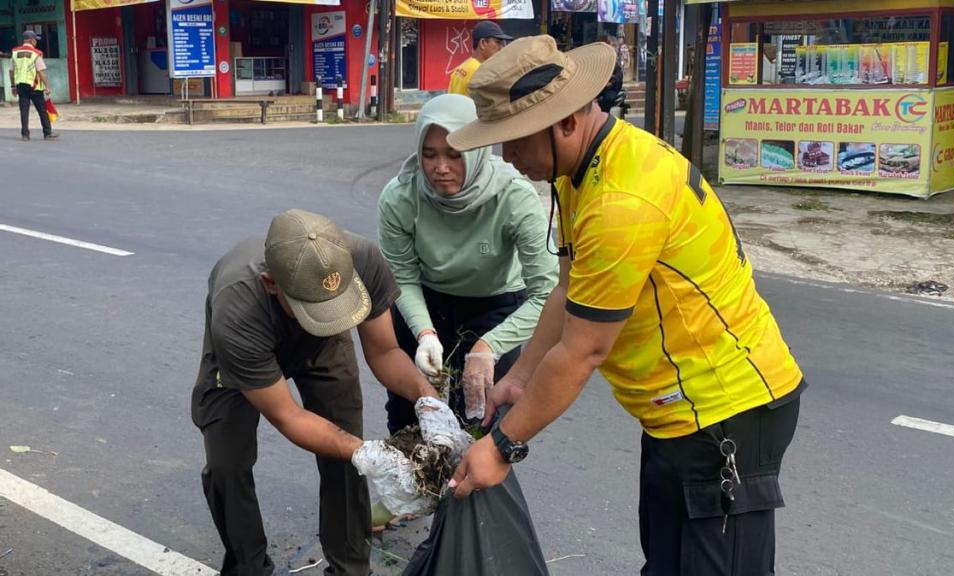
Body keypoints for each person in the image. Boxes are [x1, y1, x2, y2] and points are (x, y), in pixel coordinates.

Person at [447, 36, 807, 575]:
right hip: (673, 415)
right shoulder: (582, 170)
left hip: (724, 413)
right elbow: (568, 290)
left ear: (566, 121)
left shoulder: (621, 201)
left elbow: (584, 350)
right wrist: (518, 377)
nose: (506, 156)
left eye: (514, 139)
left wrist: (501, 447)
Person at [191, 209, 467, 576]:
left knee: (345, 455)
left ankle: (350, 568)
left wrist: (428, 400)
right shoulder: (237, 309)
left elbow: (384, 352)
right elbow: (287, 415)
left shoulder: (362, 259)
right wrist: (371, 453)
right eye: (318, 307)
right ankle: (248, 566)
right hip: (247, 348)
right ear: (271, 284)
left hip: (323, 344)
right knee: (228, 463)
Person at [377, 93, 558, 435]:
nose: (440, 168)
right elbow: (401, 276)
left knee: (481, 419)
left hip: (496, 306)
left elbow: (546, 293)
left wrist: (491, 345)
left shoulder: (514, 197)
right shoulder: (400, 197)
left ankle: (472, 487)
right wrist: (425, 333)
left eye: (454, 155)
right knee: (412, 413)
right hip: (425, 302)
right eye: (428, 155)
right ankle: (416, 488)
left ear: (477, 150)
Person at [9, 30, 56, 141]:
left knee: (24, 110)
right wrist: (46, 86)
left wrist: (13, 86)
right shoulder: (36, 53)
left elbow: (11, 71)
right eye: (36, 40)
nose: (36, 42)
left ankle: (25, 135)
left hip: (21, 85)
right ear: (32, 40)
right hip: (34, 86)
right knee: (42, 110)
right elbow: (40, 72)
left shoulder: (15, 52)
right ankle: (47, 133)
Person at [448, 21, 512, 96]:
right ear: (483, 43)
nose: (501, 48)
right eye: (498, 42)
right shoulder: (481, 73)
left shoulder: (461, 68)